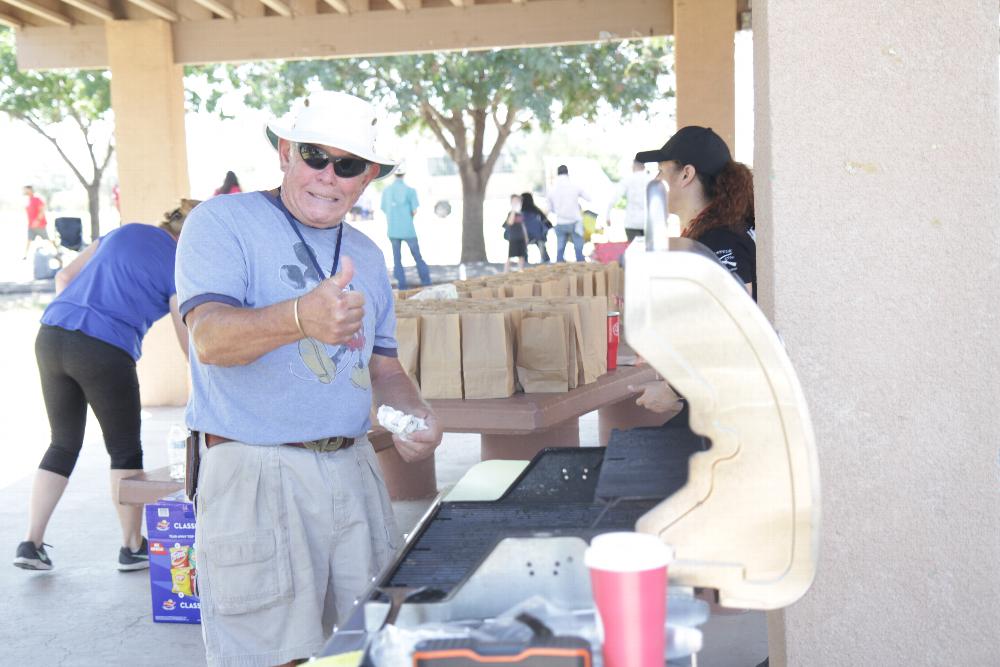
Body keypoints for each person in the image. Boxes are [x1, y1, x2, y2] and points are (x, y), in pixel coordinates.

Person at [176, 91, 442, 667]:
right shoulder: (222, 222)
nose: (328, 175)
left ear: (367, 177)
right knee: (272, 655)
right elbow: (211, 339)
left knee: (372, 648)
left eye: (347, 165)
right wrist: (300, 318)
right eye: (314, 155)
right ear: (284, 153)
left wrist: (414, 415)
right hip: (254, 470)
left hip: (352, 468)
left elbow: (387, 370)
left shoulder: (368, 255)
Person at [13, 200, 195, 573]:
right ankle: (131, 547)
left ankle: (31, 542)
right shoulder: (181, 263)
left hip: (52, 334)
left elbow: (64, 278)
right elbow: (186, 339)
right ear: (193, 237)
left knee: (62, 443)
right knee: (125, 450)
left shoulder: (122, 231)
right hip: (104, 349)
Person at [629, 125, 757, 415]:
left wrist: (675, 391)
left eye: (662, 171)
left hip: (736, 412)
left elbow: (735, 330)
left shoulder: (720, 239)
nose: (657, 180)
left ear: (686, 174)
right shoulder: (721, 229)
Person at [380, 164, 431, 289]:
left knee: (397, 259)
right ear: (404, 175)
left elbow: (384, 209)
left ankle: (402, 286)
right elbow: (414, 211)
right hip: (408, 229)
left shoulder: (386, 191)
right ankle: (426, 283)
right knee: (417, 257)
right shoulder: (410, 191)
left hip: (393, 230)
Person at [546, 165, 590, 262]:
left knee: (560, 250)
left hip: (560, 222)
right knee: (578, 250)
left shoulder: (552, 190)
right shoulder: (575, 186)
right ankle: (581, 271)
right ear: (567, 173)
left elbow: (549, 209)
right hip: (575, 221)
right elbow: (589, 198)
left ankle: (559, 271)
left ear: (557, 174)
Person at [606, 160, 650, 242]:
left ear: (633, 166)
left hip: (632, 222)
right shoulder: (651, 179)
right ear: (644, 166)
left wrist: (608, 215)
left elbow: (614, 198)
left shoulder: (628, 179)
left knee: (634, 251)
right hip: (649, 223)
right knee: (648, 252)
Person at [519, 192, 551, 263]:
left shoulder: (520, 212)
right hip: (538, 236)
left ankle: (524, 260)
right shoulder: (536, 210)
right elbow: (548, 223)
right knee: (541, 243)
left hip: (524, 236)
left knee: (522, 244)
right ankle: (545, 259)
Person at [23, 185, 53, 258]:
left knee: (47, 239)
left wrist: (37, 221)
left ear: (30, 190)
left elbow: (42, 210)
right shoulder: (28, 200)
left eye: (26, 190)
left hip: (39, 225)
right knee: (29, 240)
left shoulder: (37, 199)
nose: (24, 191)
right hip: (31, 226)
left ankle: (57, 251)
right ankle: (25, 255)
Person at [503, 194, 528, 272]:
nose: (516, 203)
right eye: (514, 201)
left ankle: (520, 270)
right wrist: (513, 209)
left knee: (522, 256)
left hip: (521, 238)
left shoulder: (520, 213)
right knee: (510, 256)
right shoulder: (511, 213)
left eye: (518, 201)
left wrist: (526, 237)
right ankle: (505, 271)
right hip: (513, 238)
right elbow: (510, 222)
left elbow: (523, 225)